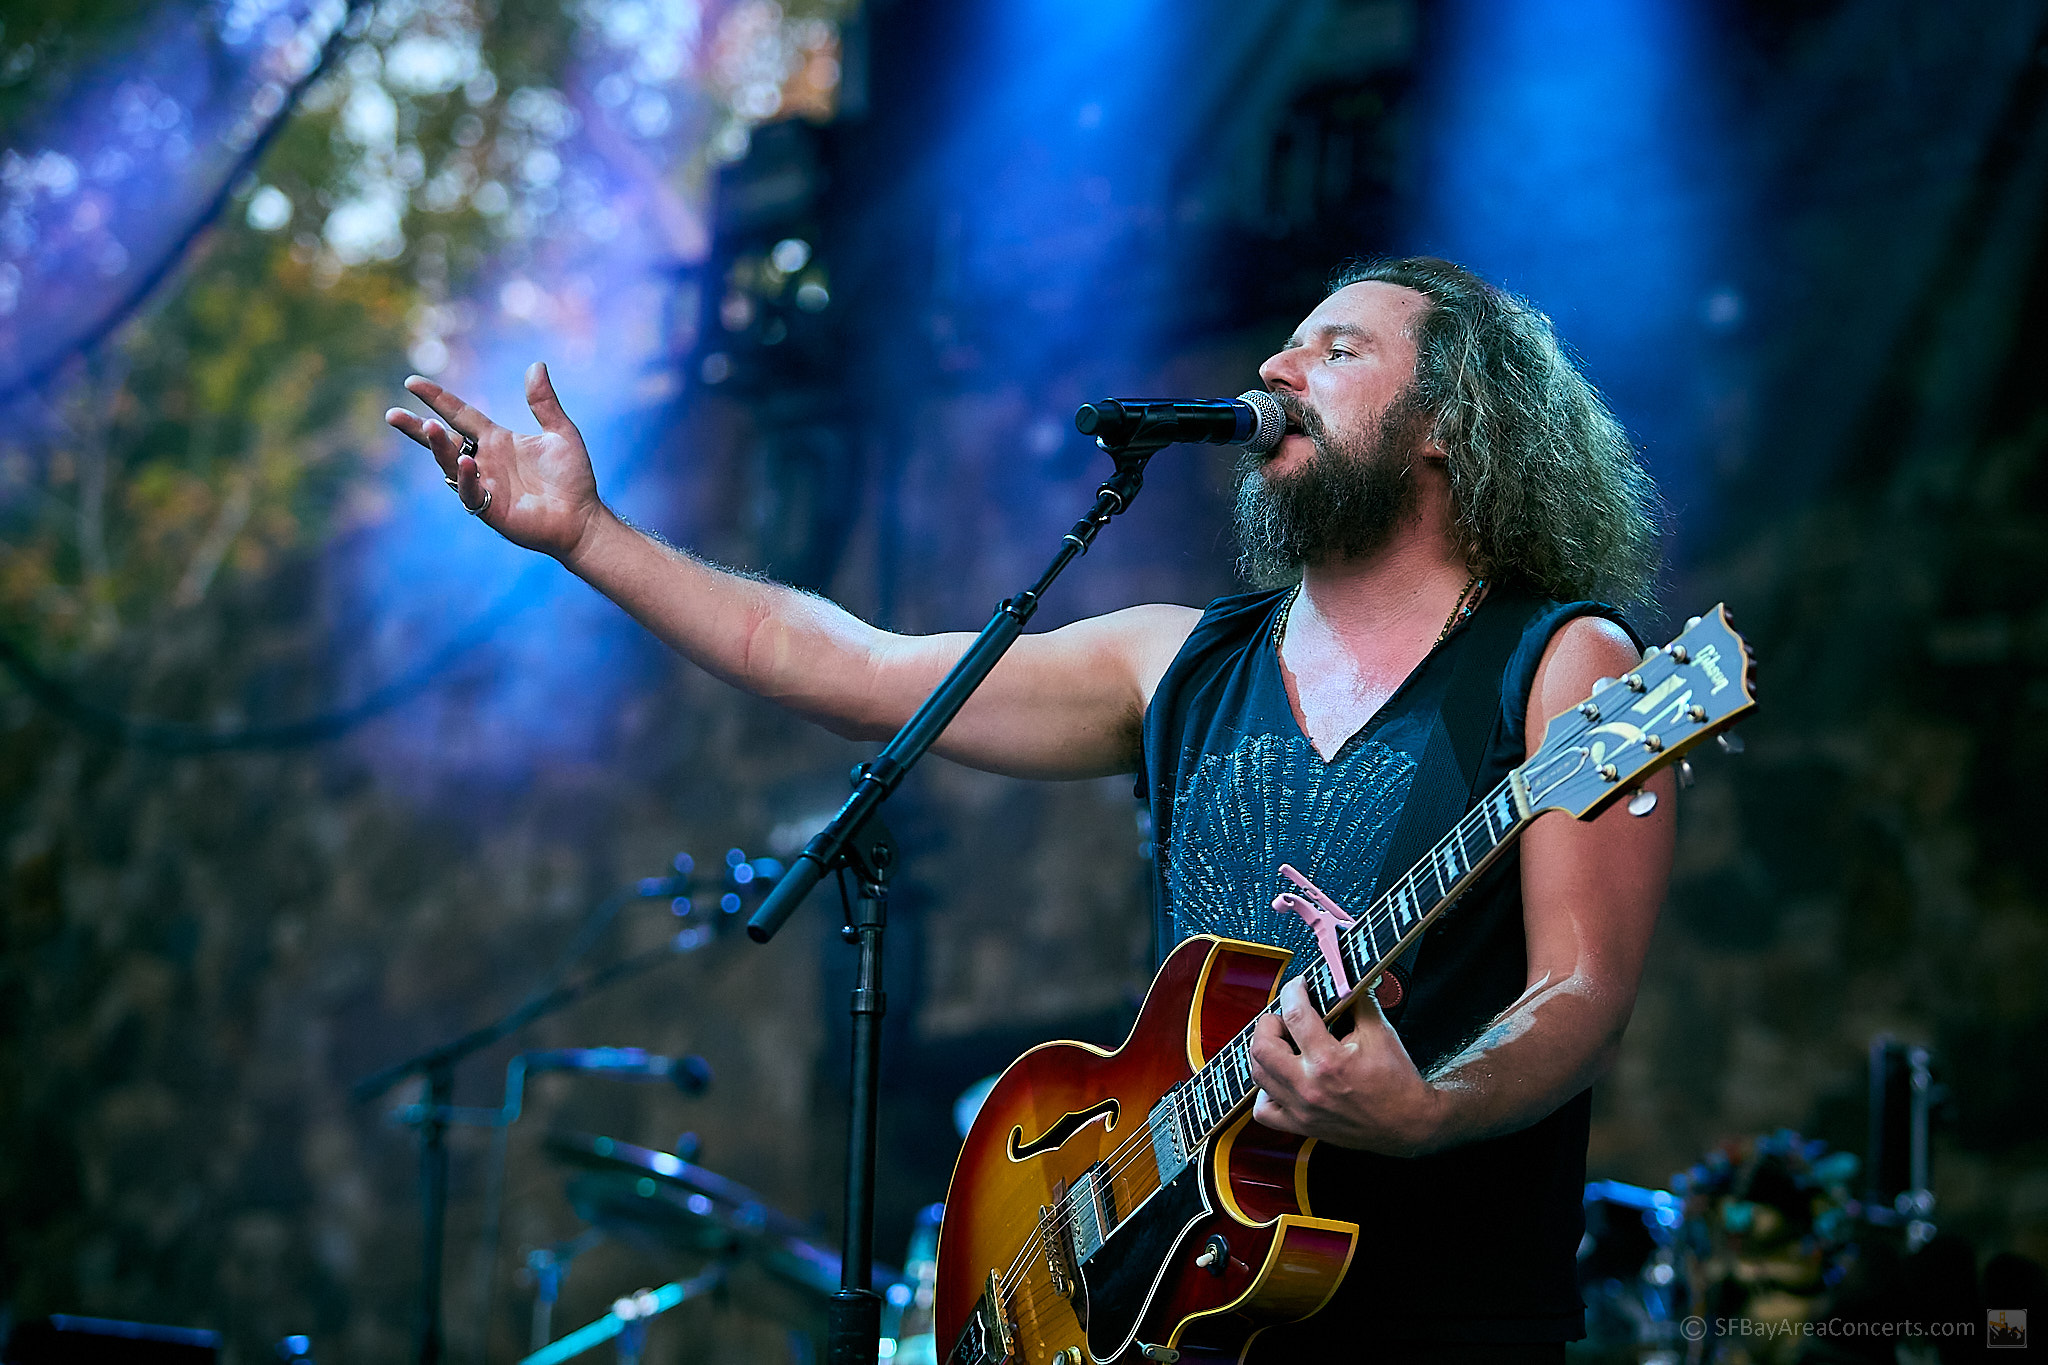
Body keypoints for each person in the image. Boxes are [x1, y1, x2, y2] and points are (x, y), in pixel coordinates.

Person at [387, 256, 1673, 1361]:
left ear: (1451, 422)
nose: (1278, 370)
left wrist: (1425, 1108)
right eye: (1281, 345)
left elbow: (1579, 990)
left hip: (1434, 1312)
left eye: (1335, 350)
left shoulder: (1564, 666)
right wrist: (586, 535)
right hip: (1166, 1305)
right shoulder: (1175, 662)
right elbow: (849, 671)